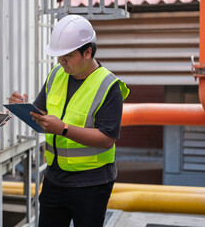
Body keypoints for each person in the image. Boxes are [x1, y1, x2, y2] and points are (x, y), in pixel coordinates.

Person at [9, 15, 129, 227]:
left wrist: (63, 129)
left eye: (68, 57)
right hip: (55, 178)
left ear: (88, 52)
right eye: (59, 57)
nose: (61, 62)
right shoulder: (57, 73)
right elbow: (42, 114)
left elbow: (106, 139)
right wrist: (23, 107)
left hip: (92, 183)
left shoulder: (109, 86)